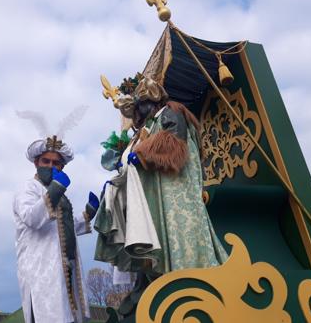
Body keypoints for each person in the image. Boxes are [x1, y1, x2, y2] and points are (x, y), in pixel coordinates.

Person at [95, 76, 227, 297]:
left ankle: (197, 290)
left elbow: (174, 146)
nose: (136, 115)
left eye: (138, 108)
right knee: (161, 244)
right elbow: (132, 156)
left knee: (183, 238)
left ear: (148, 101)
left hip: (177, 194)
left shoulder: (171, 111)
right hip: (159, 197)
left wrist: (144, 155)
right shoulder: (148, 127)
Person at [14, 135, 99, 323]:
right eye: (46, 161)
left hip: (66, 267)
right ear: (36, 162)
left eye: (56, 163)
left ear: (62, 167)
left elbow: (62, 226)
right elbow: (32, 218)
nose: (51, 166)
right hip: (41, 268)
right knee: (49, 314)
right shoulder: (28, 188)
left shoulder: (60, 195)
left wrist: (87, 214)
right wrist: (56, 189)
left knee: (68, 315)